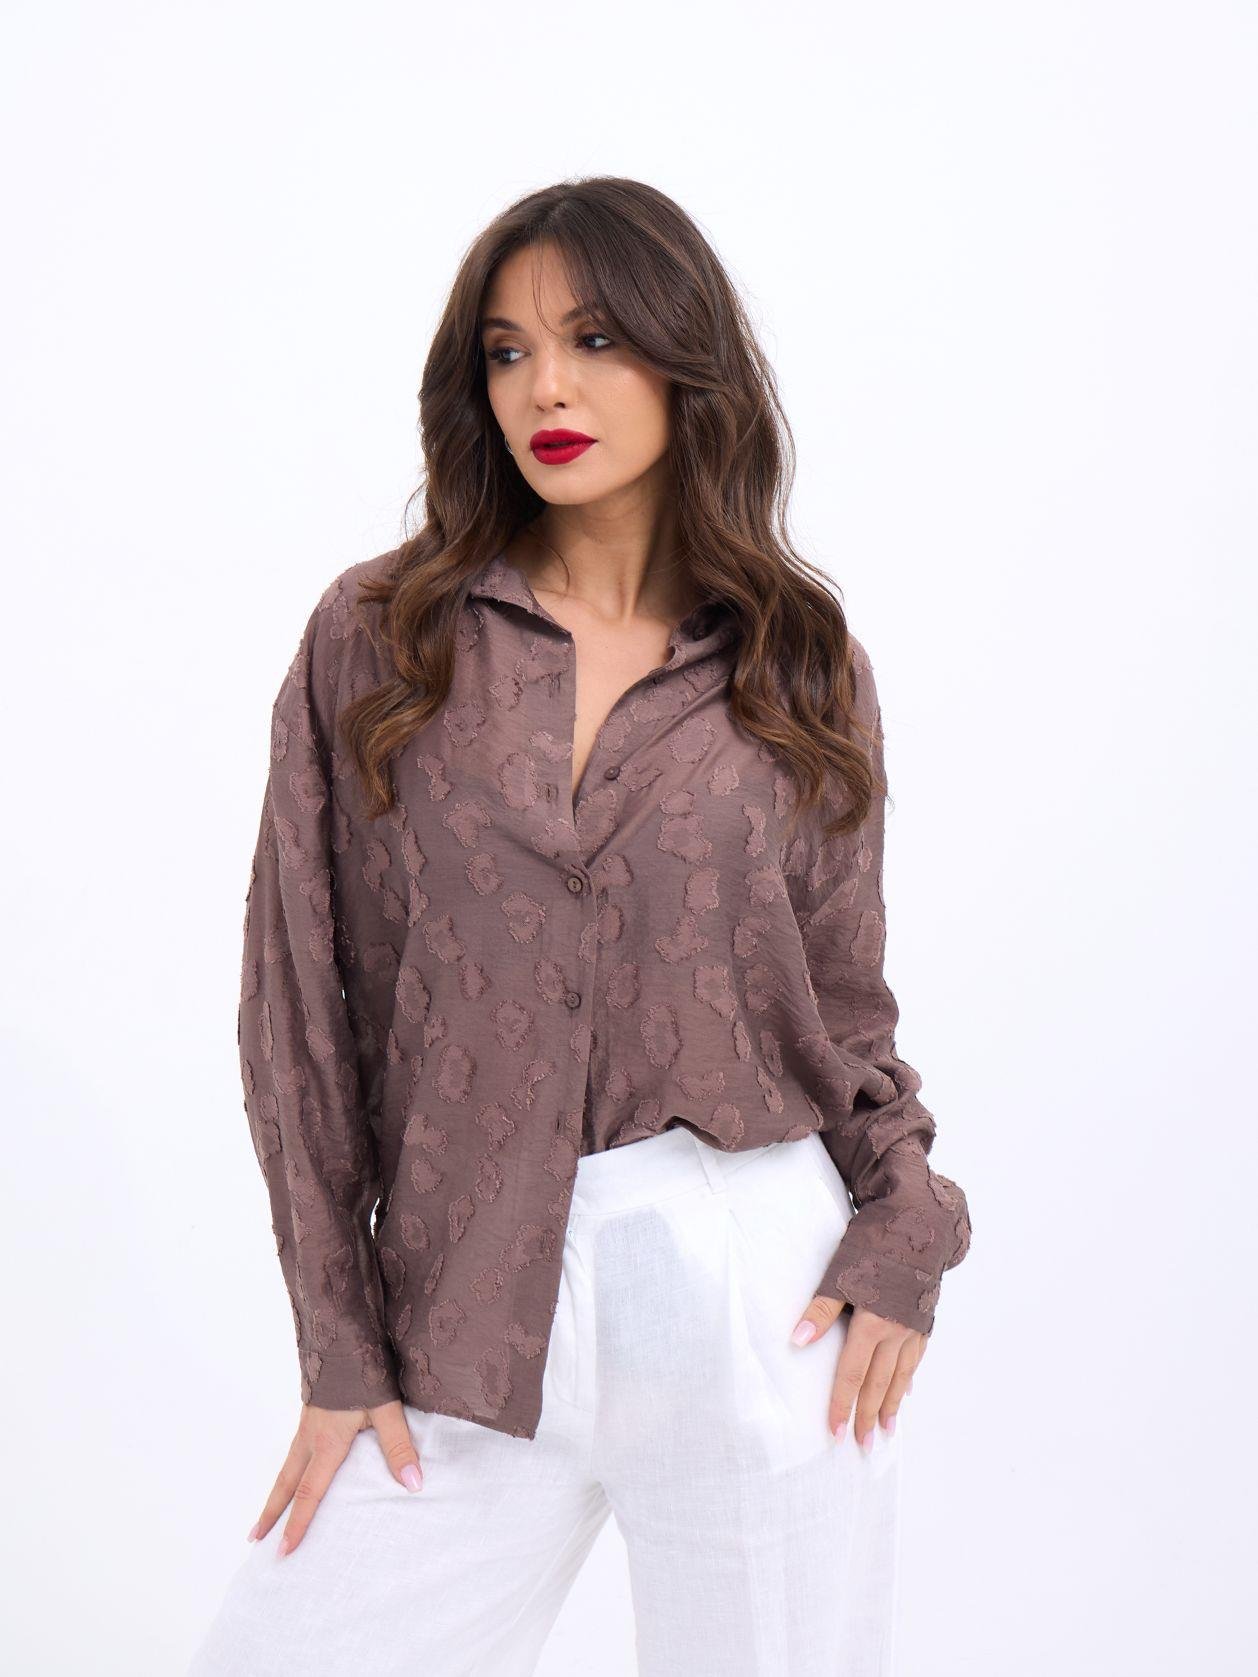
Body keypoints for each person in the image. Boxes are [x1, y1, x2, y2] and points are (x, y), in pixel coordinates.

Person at [187, 175, 972, 1677]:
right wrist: (339, 1345)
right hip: (465, 1297)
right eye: (508, 350)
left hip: (757, 1286)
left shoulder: (799, 662)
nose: (545, 387)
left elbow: (841, 1014)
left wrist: (904, 1231)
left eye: (594, 338)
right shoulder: (381, 639)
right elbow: (298, 1007)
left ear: (687, 359)